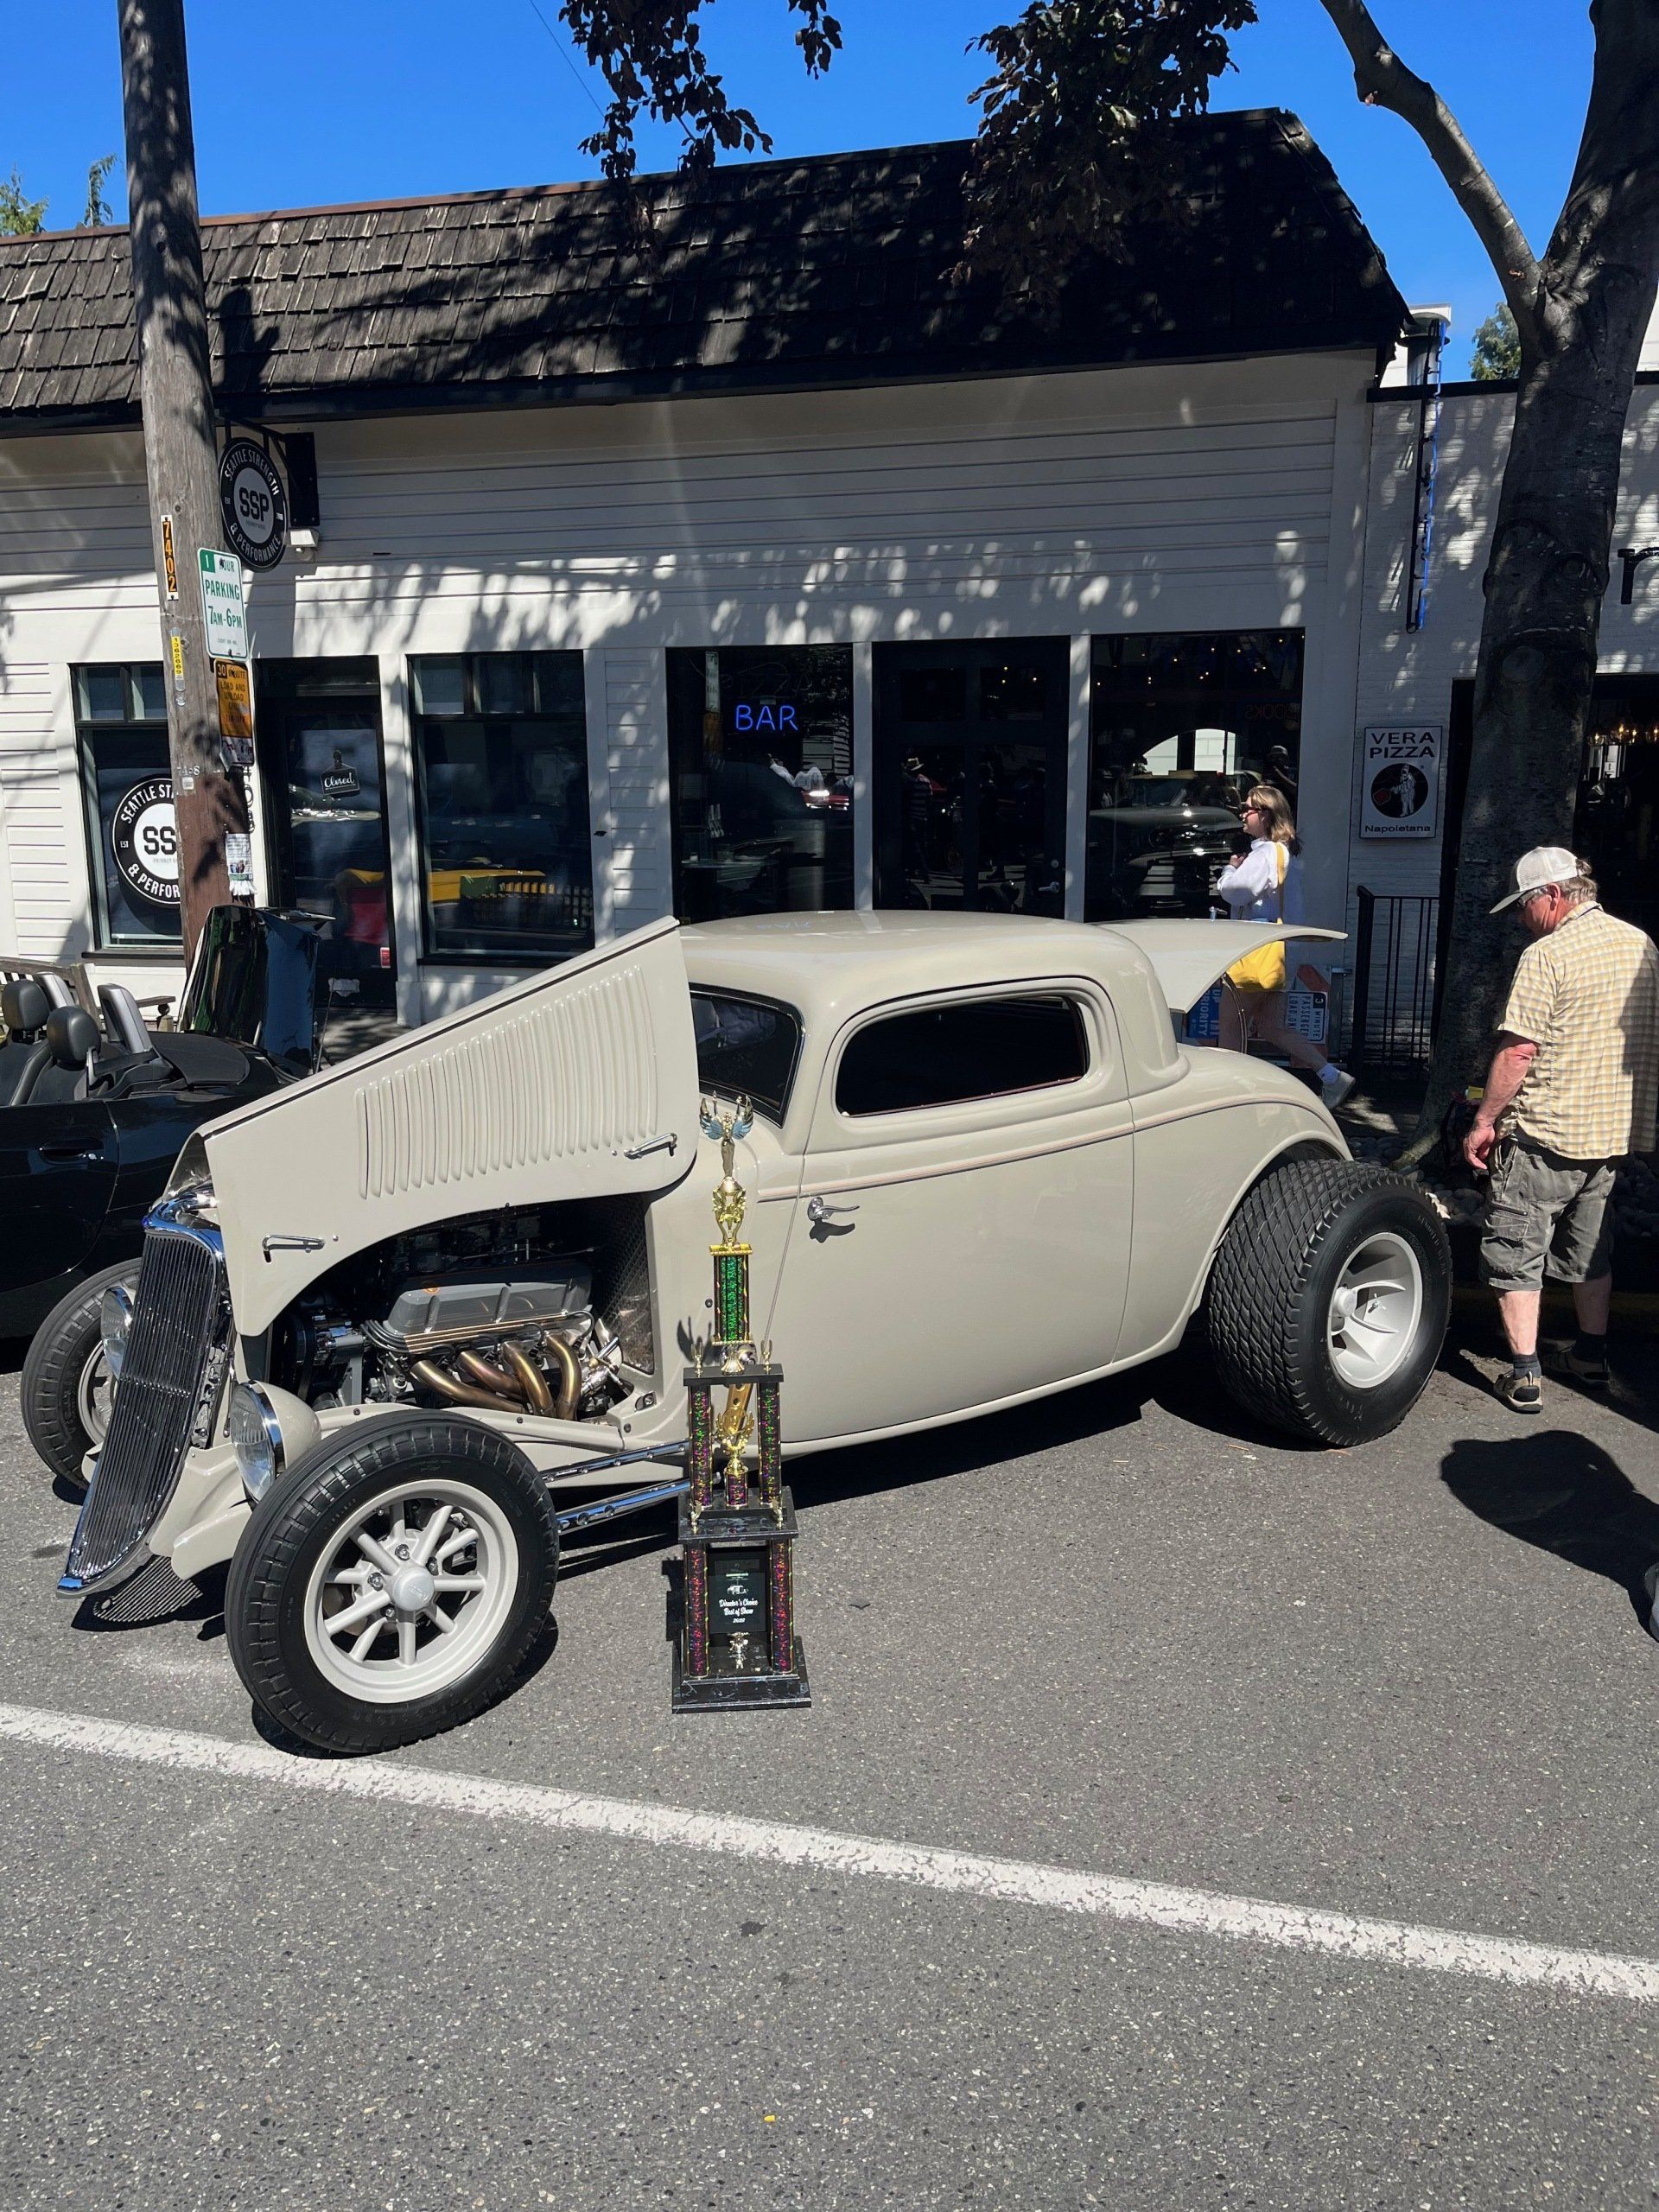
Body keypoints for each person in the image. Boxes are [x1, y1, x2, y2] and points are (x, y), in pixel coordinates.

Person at [1463, 846, 1659, 1414]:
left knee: (1516, 1251)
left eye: (1524, 905)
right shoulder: (1641, 945)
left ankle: (1525, 1375)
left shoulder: (1547, 955)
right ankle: (1591, 1356)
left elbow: (1519, 1050)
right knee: (1591, 1249)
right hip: (1612, 1133)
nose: (1522, 919)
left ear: (1551, 895)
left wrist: (1484, 1120)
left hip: (1546, 1134)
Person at [1213, 784, 1355, 1109]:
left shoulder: (1265, 853)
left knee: (1230, 1024)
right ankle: (1331, 1076)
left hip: (1253, 952)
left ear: (1265, 815)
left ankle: (1230, 1098)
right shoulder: (1284, 853)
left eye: (1248, 809)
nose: (1242, 814)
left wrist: (1229, 870)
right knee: (1271, 1026)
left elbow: (1237, 891)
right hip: (1278, 953)